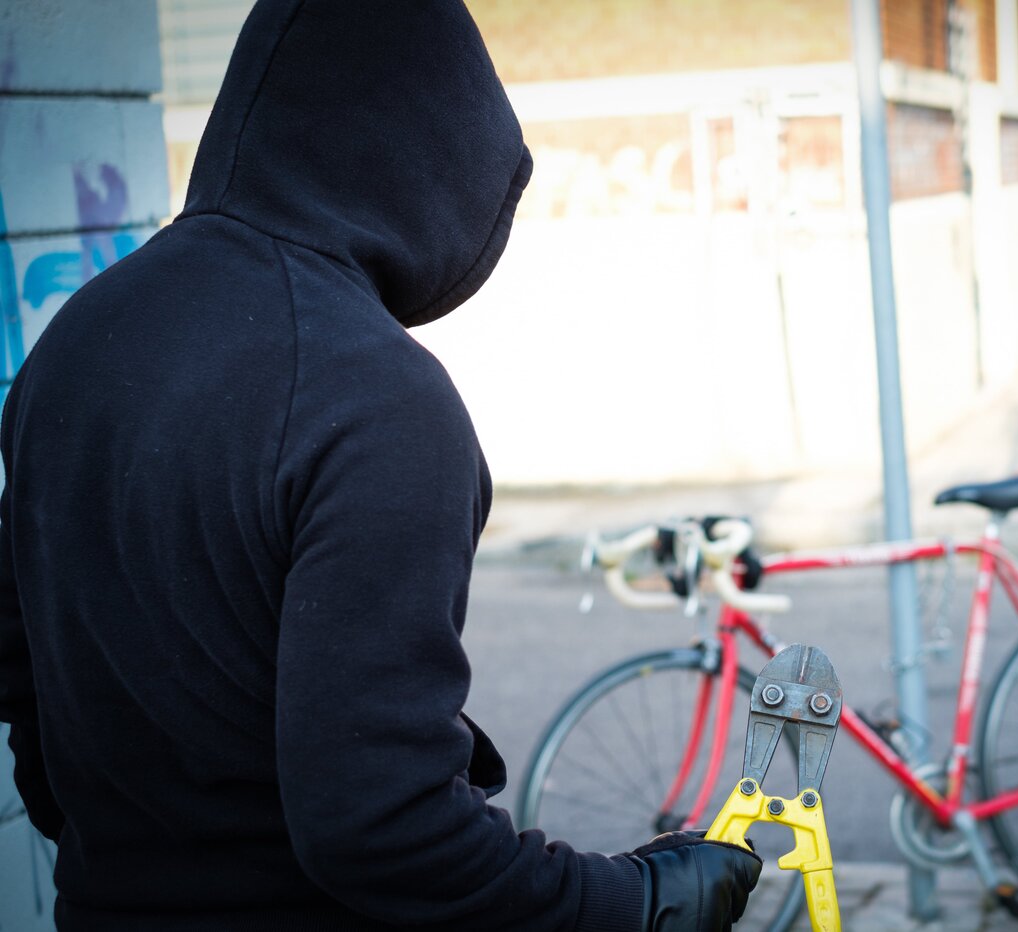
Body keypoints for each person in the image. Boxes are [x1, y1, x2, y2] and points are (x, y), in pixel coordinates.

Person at [0, 1, 760, 928]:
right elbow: (387, 831)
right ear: (439, 162)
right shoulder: (374, 400)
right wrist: (635, 901)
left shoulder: (73, 340)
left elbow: (25, 669)